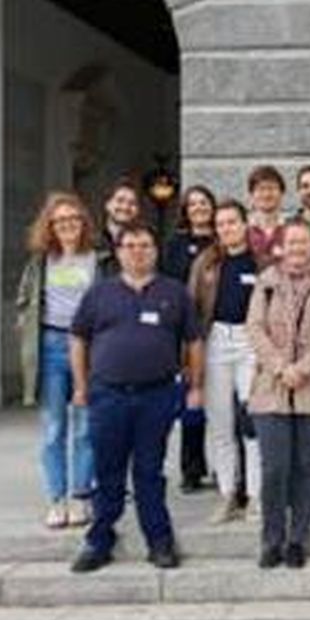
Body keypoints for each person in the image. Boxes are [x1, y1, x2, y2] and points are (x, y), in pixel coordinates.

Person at [69, 222, 203, 574]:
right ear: (118, 251)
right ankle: (99, 540)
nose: (137, 252)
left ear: (155, 251)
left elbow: (194, 341)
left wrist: (194, 385)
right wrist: (81, 387)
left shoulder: (174, 292)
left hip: (156, 396)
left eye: (144, 245)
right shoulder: (99, 294)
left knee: (149, 472)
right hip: (107, 396)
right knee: (107, 471)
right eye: (130, 246)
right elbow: (78, 340)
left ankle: (159, 542)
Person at [246, 219, 310, 570]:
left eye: (305, 243)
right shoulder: (266, 282)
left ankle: (297, 537)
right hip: (271, 389)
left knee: (306, 467)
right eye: (292, 243)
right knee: (274, 467)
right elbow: (254, 327)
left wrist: (302, 368)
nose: (298, 249)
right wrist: (280, 367)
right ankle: (271, 538)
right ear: (281, 247)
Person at [15, 191, 99, 530]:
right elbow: (25, 299)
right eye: (60, 221)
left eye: (73, 219)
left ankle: (80, 495)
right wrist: (25, 323)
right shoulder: (40, 262)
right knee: (53, 428)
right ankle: (56, 499)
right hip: (50, 344)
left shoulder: (97, 258)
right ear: (50, 226)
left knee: (85, 426)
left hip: (89, 347)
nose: (67, 226)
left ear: (83, 223)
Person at [187, 200, 265, 524]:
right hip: (216, 340)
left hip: (250, 341)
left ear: (245, 224)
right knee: (220, 423)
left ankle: (256, 496)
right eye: (221, 224)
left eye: (233, 222)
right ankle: (227, 493)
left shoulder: (261, 262)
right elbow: (192, 305)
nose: (227, 229)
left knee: (253, 422)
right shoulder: (206, 262)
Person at [160, 184, 216, 493]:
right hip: (186, 332)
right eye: (192, 204)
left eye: (204, 202)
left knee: (223, 405)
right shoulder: (175, 245)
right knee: (191, 402)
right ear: (185, 210)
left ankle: (225, 468)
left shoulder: (222, 239)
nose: (199, 208)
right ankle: (192, 468)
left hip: (218, 330)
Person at [97, 178, 143, 275]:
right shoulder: (92, 241)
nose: (125, 207)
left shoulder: (144, 244)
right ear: (107, 204)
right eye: (120, 201)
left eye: (132, 203)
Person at [246, 164, 288, 265]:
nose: (266, 194)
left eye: (272, 188)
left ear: (281, 193)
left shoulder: (292, 227)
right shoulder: (242, 229)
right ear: (251, 195)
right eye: (261, 189)